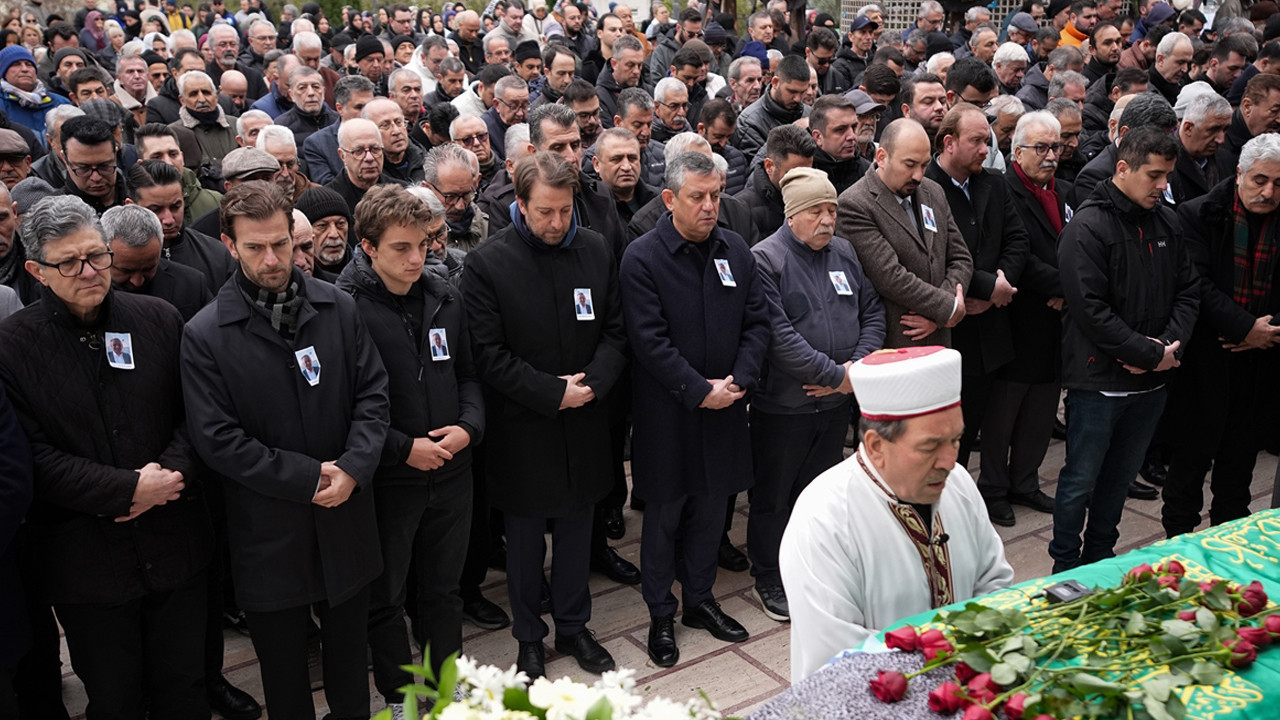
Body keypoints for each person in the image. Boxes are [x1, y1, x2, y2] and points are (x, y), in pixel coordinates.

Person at [181, 181, 390, 720]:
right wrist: (306, 479)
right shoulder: (205, 334)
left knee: (349, 662)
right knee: (284, 673)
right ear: (230, 244)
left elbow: (372, 395)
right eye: (255, 247)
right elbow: (217, 439)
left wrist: (353, 468)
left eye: (281, 244)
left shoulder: (339, 307)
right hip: (269, 531)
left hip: (346, 515)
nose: (272, 259)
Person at [0, 194, 213, 719]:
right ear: (37, 270)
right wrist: (125, 490)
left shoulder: (159, 318)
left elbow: (197, 415)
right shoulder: (12, 345)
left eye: (97, 256)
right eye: (68, 262)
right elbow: (30, 455)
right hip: (85, 560)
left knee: (183, 688)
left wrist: (167, 478)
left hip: (175, 536)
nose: (89, 271)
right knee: (114, 695)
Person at [462, 152, 625, 680]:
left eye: (565, 210)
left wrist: (591, 386)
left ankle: (575, 627)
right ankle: (529, 637)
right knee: (527, 545)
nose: (557, 224)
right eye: (545, 213)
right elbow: (487, 354)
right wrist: (552, 393)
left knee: (579, 535)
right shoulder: (488, 263)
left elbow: (617, 332)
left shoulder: (594, 249)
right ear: (520, 204)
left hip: (584, 423)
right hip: (524, 430)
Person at [780, 346, 1015, 681]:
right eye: (931, 446)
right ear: (876, 446)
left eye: (957, 440)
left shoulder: (959, 483)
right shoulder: (823, 519)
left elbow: (994, 582)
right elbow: (838, 661)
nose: (950, 461)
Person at [620, 151, 770, 668]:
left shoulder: (735, 249)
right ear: (669, 199)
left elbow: (757, 322)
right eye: (697, 197)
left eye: (716, 195)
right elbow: (648, 340)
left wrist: (740, 380)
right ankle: (662, 610)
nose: (710, 207)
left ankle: (700, 601)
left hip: (726, 405)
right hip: (669, 414)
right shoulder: (642, 258)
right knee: (664, 517)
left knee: (712, 511)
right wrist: (696, 388)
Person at [335, 184, 480, 714]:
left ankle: (446, 683)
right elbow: (345, 408)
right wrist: (402, 449)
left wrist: (469, 426)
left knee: (443, 590)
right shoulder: (343, 308)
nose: (417, 257)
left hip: (452, 468)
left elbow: (467, 373)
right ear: (368, 246)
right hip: (389, 478)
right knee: (387, 596)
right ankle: (400, 695)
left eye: (425, 244)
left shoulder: (444, 295)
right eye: (402, 247)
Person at [1051, 126, 1198, 573]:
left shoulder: (1168, 222)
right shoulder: (1087, 228)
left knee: (1117, 481)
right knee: (1080, 480)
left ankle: (1099, 558)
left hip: (1150, 386)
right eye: (1154, 175)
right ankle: (1065, 566)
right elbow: (1089, 309)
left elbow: (1189, 290)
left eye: (1168, 175)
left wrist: (1167, 346)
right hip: (1098, 384)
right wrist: (1147, 353)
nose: (1163, 186)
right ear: (1122, 169)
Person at [746, 167, 885, 622]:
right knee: (774, 495)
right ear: (792, 215)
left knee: (819, 493)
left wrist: (852, 374)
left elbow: (872, 312)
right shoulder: (766, 260)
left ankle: (814, 565)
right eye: (816, 211)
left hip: (835, 402)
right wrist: (836, 374)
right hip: (785, 405)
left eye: (832, 210)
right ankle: (768, 573)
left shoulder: (844, 251)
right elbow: (778, 337)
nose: (828, 220)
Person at [1163, 134, 1280, 538]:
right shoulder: (1198, 214)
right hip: (1206, 359)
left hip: (1261, 363)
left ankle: (1230, 547)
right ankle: (1176, 549)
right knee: (1188, 468)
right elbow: (1196, 284)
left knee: (1238, 471)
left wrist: (1266, 333)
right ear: (1239, 174)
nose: (1268, 192)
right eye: (1260, 180)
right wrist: (1245, 328)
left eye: (1279, 184)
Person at [925, 104, 1030, 479]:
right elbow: (937, 256)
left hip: (991, 328)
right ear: (949, 142)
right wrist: (989, 285)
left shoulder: (994, 183)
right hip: (949, 331)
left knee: (971, 430)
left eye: (987, 141)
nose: (986, 149)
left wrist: (1001, 285)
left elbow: (1018, 239)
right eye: (977, 141)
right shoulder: (925, 187)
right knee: (940, 434)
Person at [982, 111, 1072, 527]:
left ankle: (1026, 480)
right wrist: (1064, 288)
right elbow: (1017, 253)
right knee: (1005, 412)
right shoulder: (1003, 190)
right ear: (1017, 151)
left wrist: (1070, 291)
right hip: (1018, 316)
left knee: (1041, 408)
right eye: (1041, 147)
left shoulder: (1066, 191)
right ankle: (994, 487)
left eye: (1056, 146)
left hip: (1058, 321)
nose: (1051, 155)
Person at [837, 119, 973, 350]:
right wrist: (946, 307)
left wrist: (941, 312)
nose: (918, 176)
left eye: (924, 165)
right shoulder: (854, 204)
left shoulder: (933, 191)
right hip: (895, 344)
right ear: (881, 157)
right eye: (909, 164)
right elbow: (890, 276)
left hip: (940, 342)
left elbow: (961, 257)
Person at [735, 54, 810, 157]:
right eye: (792, 91)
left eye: (802, 92)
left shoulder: (809, 113)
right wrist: (791, 134)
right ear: (775, 82)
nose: (797, 98)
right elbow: (758, 167)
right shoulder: (749, 123)